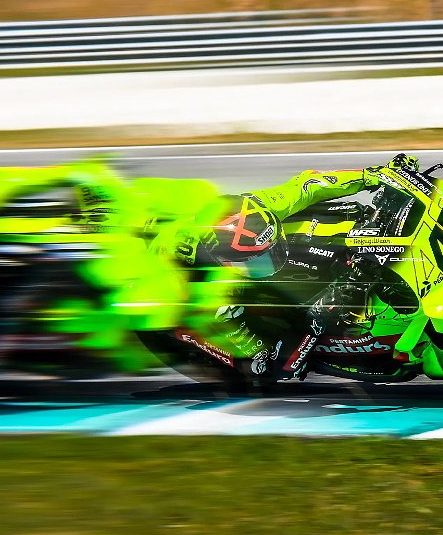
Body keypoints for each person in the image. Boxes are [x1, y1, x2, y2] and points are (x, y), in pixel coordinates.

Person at [167, 153, 422, 382]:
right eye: (260, 261)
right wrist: (320, 315)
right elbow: (271, 366)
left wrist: (374, 175)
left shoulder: (258, 206)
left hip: (296, 254)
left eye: (273, 248)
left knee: (313, 215)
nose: (274, 261)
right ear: (227, 264)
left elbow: (308, 185)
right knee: (272, 361)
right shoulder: (212, 294)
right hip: (204, 305)